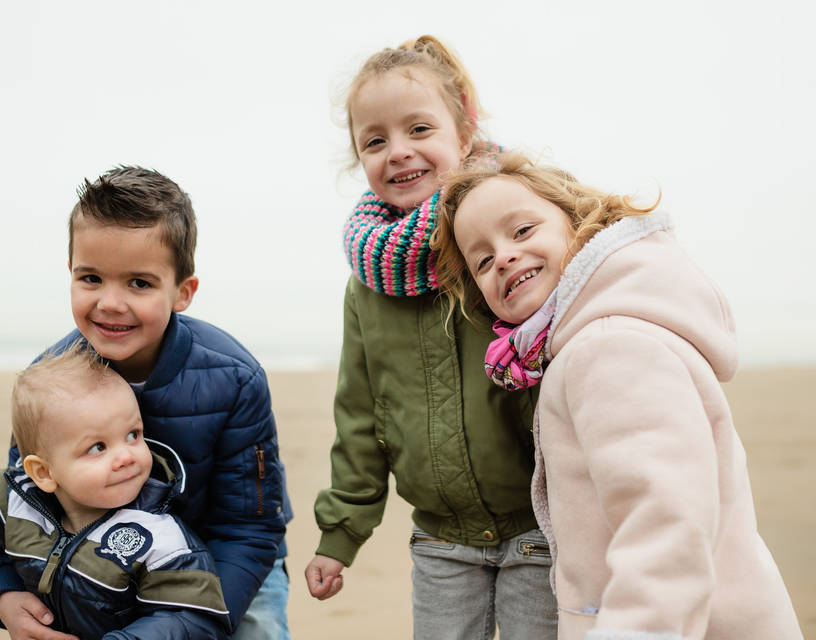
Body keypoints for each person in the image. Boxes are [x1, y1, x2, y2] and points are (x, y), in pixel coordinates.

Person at [430, 151, 804, 639]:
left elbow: (665, 529)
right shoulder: (596, 336)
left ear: (578, 223)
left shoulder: (607, 346)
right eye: (482, 259)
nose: (503, 256)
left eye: (522, 231)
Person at [305, 36, 558, 639]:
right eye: (375, 140)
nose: (398, 152)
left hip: (542, 531)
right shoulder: (367, 287)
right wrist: (340, 535)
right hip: (441, 540)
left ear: (464, 132)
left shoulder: (508, 245)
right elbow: (361, 420)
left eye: (419, 129)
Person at [0, 167, 292, 640]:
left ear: (182, 292)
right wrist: (5, 590)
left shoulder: (233, 378)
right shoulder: (51, 380)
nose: (110, 302)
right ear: (70, 275)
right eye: (91, 278)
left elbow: (249, 529)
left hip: (228, 559)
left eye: (139, 284)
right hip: (102, 563)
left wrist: (197, 620)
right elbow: (18, 499)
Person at [0, 345, 230, 640]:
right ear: (43, 473)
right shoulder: (19, 501)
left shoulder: (160, 539)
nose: (126, 456)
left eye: (133, 435)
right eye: (97, 447)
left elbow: (194, 619)